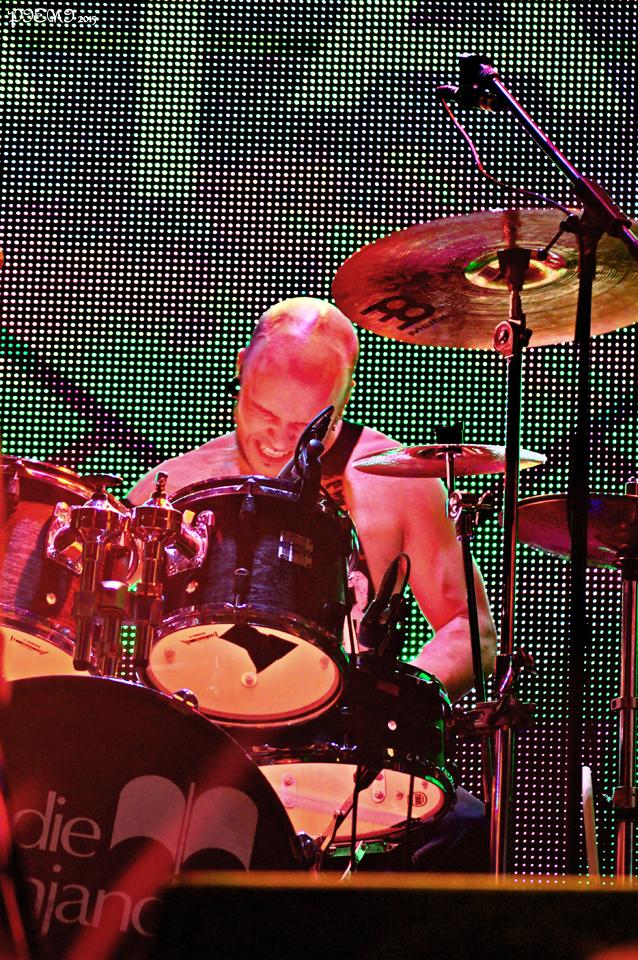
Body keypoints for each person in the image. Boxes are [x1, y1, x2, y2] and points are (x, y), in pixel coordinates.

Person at [128, 296, 497, 870]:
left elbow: (470, 628)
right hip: (208, 753)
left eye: (304, 426)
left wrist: (389, 705)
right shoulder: (173, 488)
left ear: (342, 401)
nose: (277, 440)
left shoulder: (396, 479)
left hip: (342, 758)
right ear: (240, 372)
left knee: (466, 827)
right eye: (262, 413)